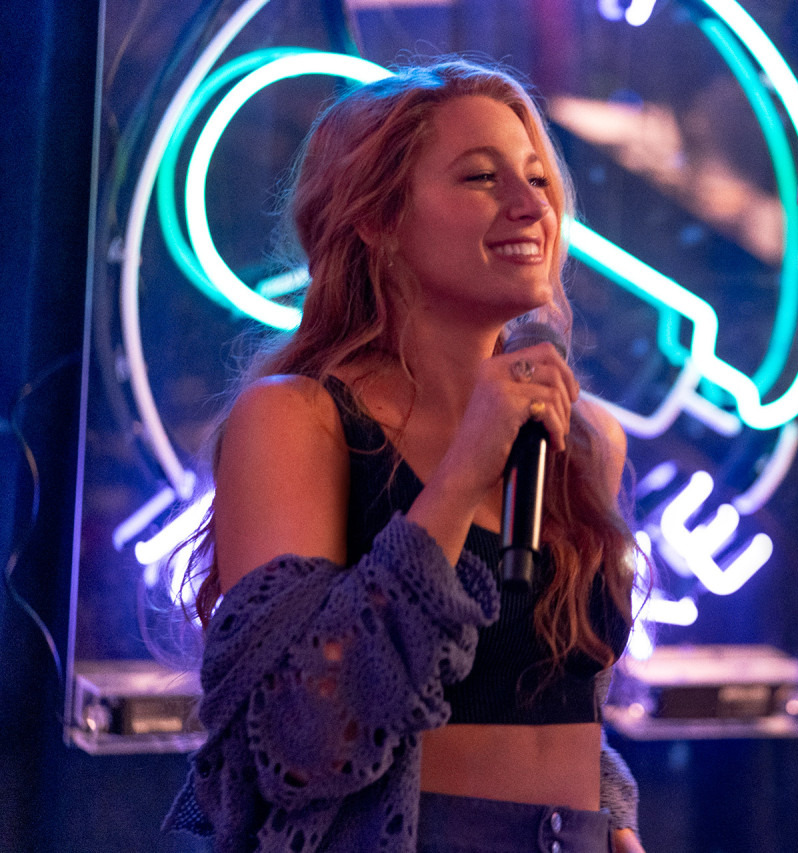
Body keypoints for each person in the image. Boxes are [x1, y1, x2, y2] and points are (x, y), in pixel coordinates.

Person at [162, 59, 646, 853]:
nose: (532, 205)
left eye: (538, 178)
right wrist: (462, 472)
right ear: (376, 221)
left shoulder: (586, 440)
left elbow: (554, 700)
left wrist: (614, 817)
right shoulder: (298, 419)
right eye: (482, 177)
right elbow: (298, 735)